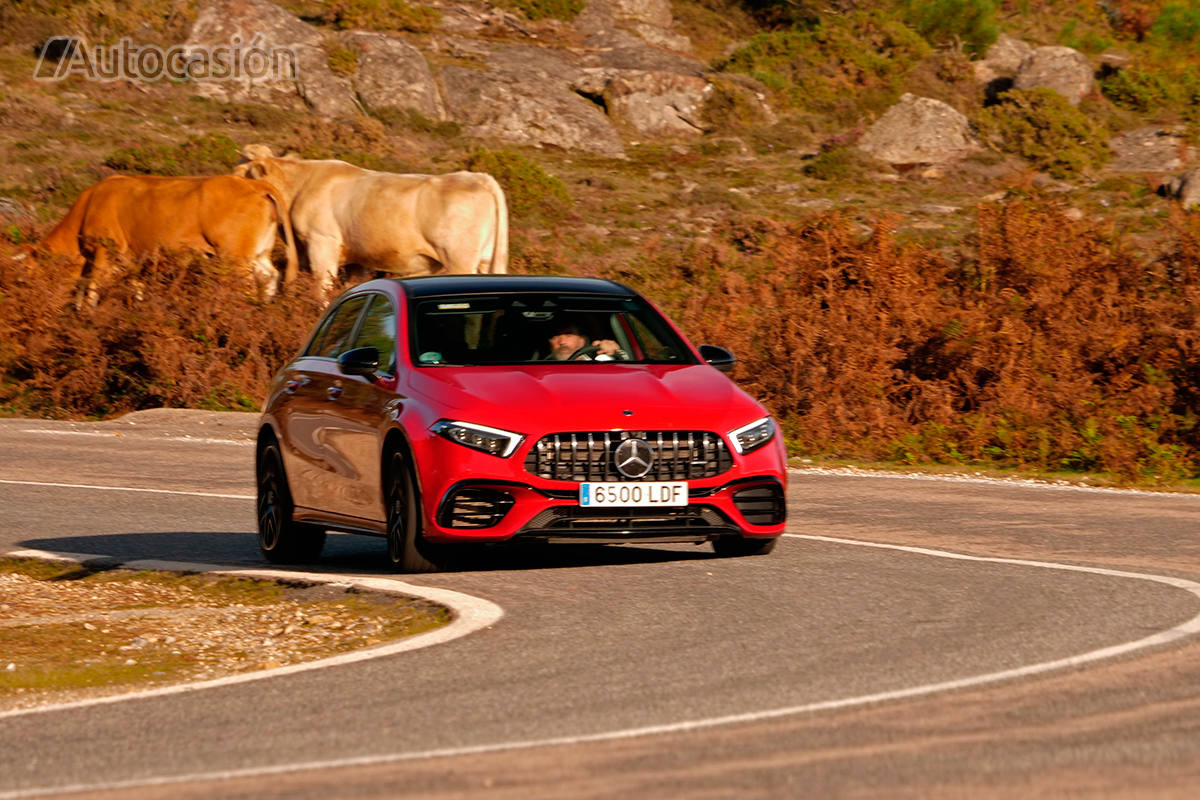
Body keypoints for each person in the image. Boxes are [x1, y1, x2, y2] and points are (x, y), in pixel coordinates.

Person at [545, 322, 628, 361]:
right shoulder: (540, 369)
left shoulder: (599, 360)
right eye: (555, 337)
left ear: (582, 340)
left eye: (568, 335)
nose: (562, 342)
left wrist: (615, 352)